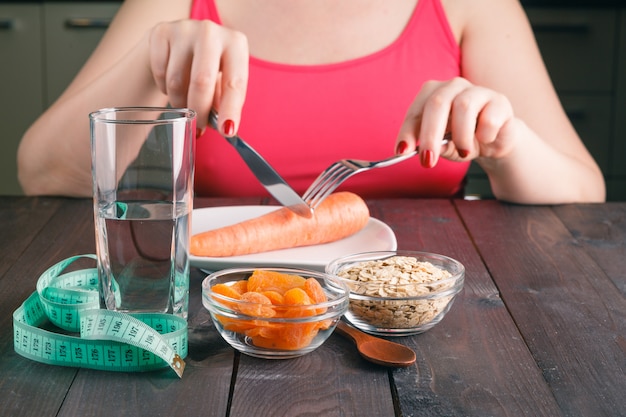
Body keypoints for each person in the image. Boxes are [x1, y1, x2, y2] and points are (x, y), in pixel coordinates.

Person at [17, 0, 606, 204]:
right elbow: (43, 175)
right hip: (225, 322)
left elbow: (584, 190)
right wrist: (152, 62)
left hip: (422, 316)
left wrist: (506, 145)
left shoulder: (469, 7)